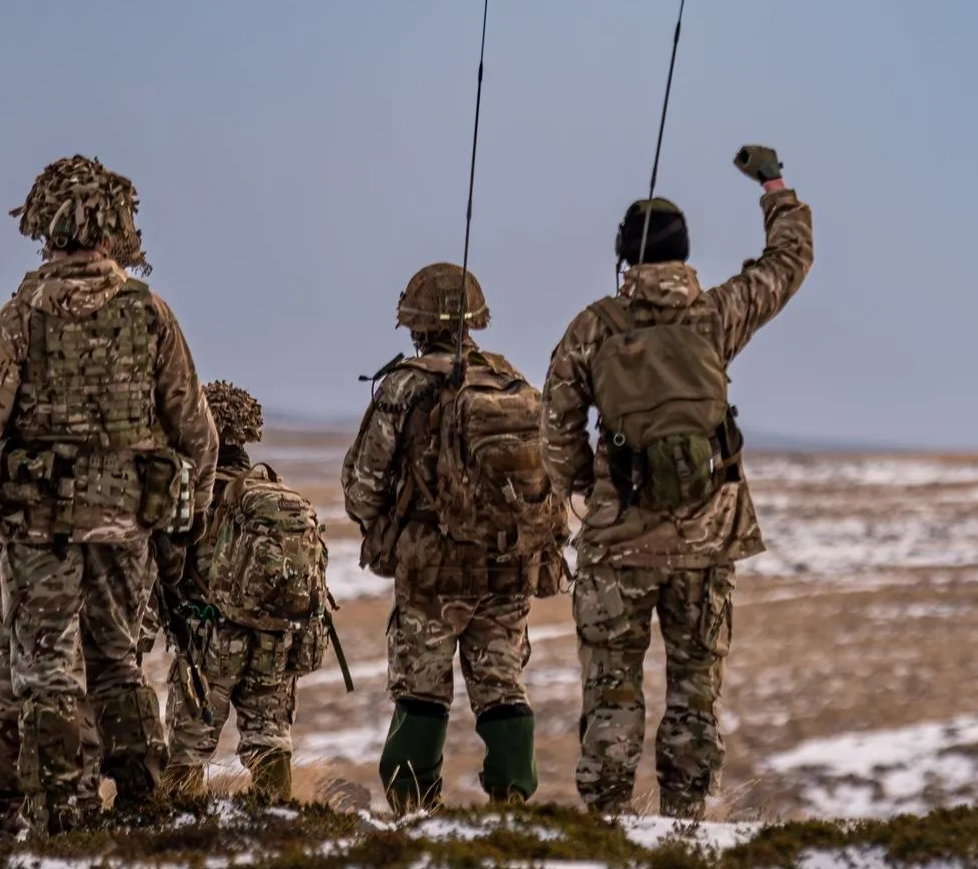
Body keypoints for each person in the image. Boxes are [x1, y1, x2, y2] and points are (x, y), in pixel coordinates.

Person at [0, 154, 216, 835]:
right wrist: (180, 530)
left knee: (46, 670)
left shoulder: (23, 314)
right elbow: (198, 434)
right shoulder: (152, 315)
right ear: (113, 236)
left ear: (46, 233)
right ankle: (145, 802)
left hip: (38, 531)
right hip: (125, 531)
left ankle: (67, 814)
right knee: (118, 663)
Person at [542, 144, 813, 820]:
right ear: (683, 252)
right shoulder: (717, 315)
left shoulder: (593, 328)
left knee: (611, 693)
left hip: (620, 543)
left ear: (625, 258)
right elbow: (789, 262)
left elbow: (557, 426)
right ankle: (686, 826)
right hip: (708, 538)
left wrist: (591, 490)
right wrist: (774, 185)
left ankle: (605, 826)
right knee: (696, 690)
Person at [343, 264, 565, 813]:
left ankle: (414, 809)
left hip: (432, 567)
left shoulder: (403, 386)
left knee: (421, 686)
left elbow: (361, 485)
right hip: (508, 562)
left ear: (415, 322)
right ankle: (512, 803)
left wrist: (385, 526)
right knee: (502, 682)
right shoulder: (514, 383)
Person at [160, 380, 333, 803]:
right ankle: (277, 824)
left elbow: (165, 568)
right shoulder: (274, 492)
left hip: (209, 644)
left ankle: (177, 833)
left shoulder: (195, 496)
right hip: (274, 643)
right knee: (270, 740)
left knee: (187, 748)